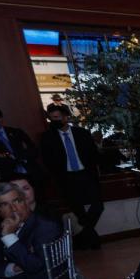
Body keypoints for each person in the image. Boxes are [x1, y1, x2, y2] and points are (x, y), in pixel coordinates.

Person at [41, 105, 104, 249]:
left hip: (86, 175)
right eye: (51, 118)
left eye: (57, 117)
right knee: (78, 211)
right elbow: (47, 160)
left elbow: (93, 155)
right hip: (67, 178)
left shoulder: (81, 133)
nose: (54, 120)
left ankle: (84, 235)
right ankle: (90, 239)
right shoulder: (48, 137)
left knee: (98, 206)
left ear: (65, 117)